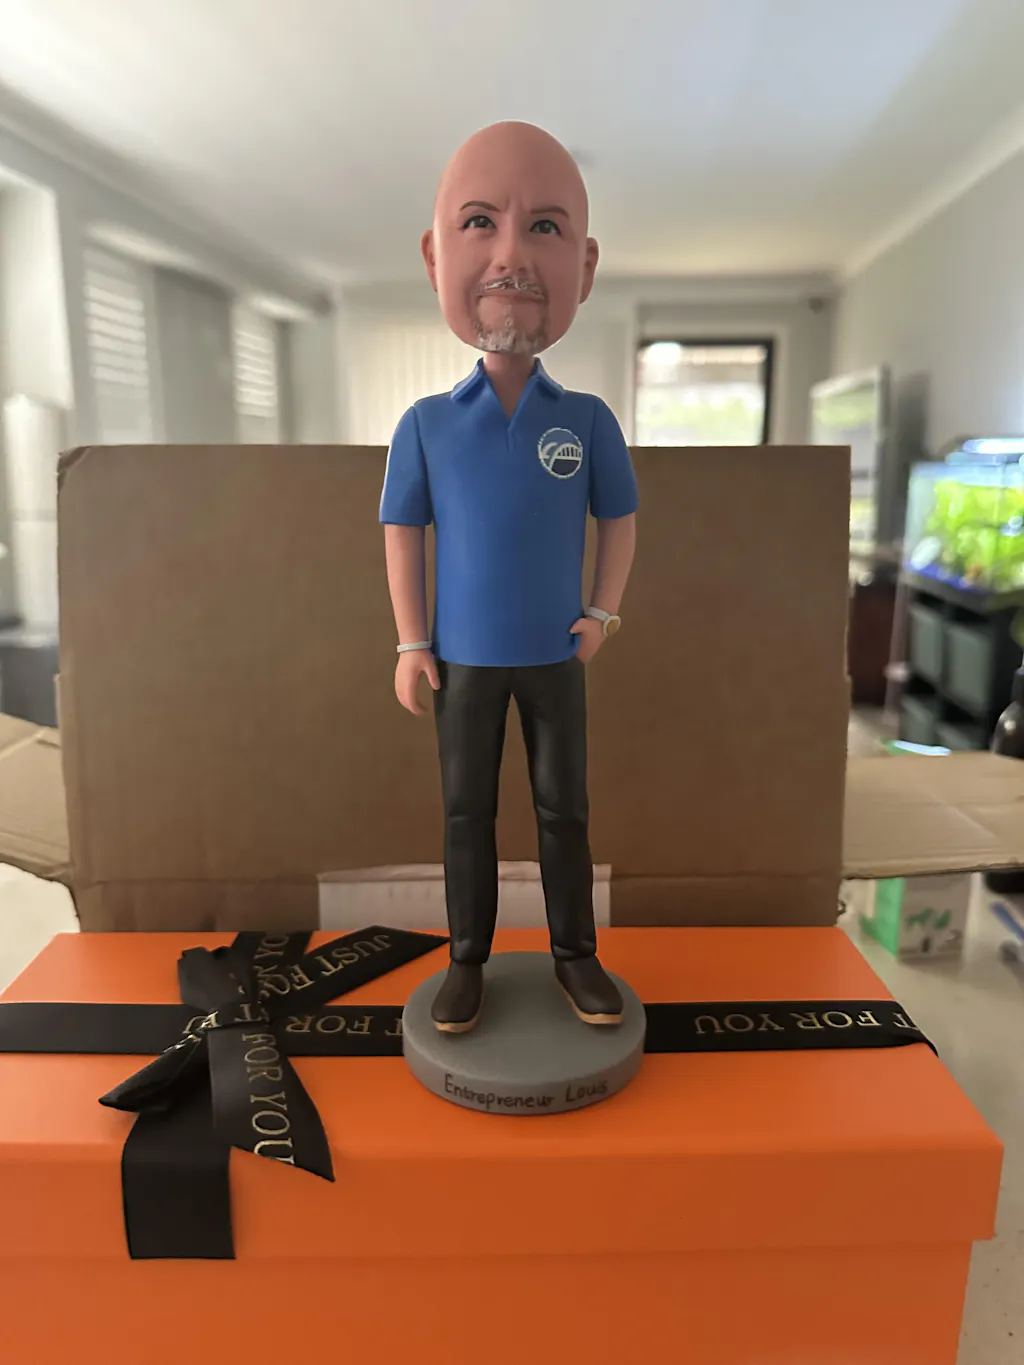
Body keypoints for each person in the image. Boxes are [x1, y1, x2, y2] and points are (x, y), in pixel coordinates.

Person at [379, 120, 638, 1034]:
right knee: (466, 814)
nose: (510, 255)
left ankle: (575, 952)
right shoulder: (426, 424)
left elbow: (619, 519)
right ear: (436, 254)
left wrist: (602, 610)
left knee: (565, 809)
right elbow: (402, 532)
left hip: (556, 652)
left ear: (585, 266)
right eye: (480, 221)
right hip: (463, 662)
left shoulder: (589, 419)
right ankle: (466, 959)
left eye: (545, 227)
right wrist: (411, 641)